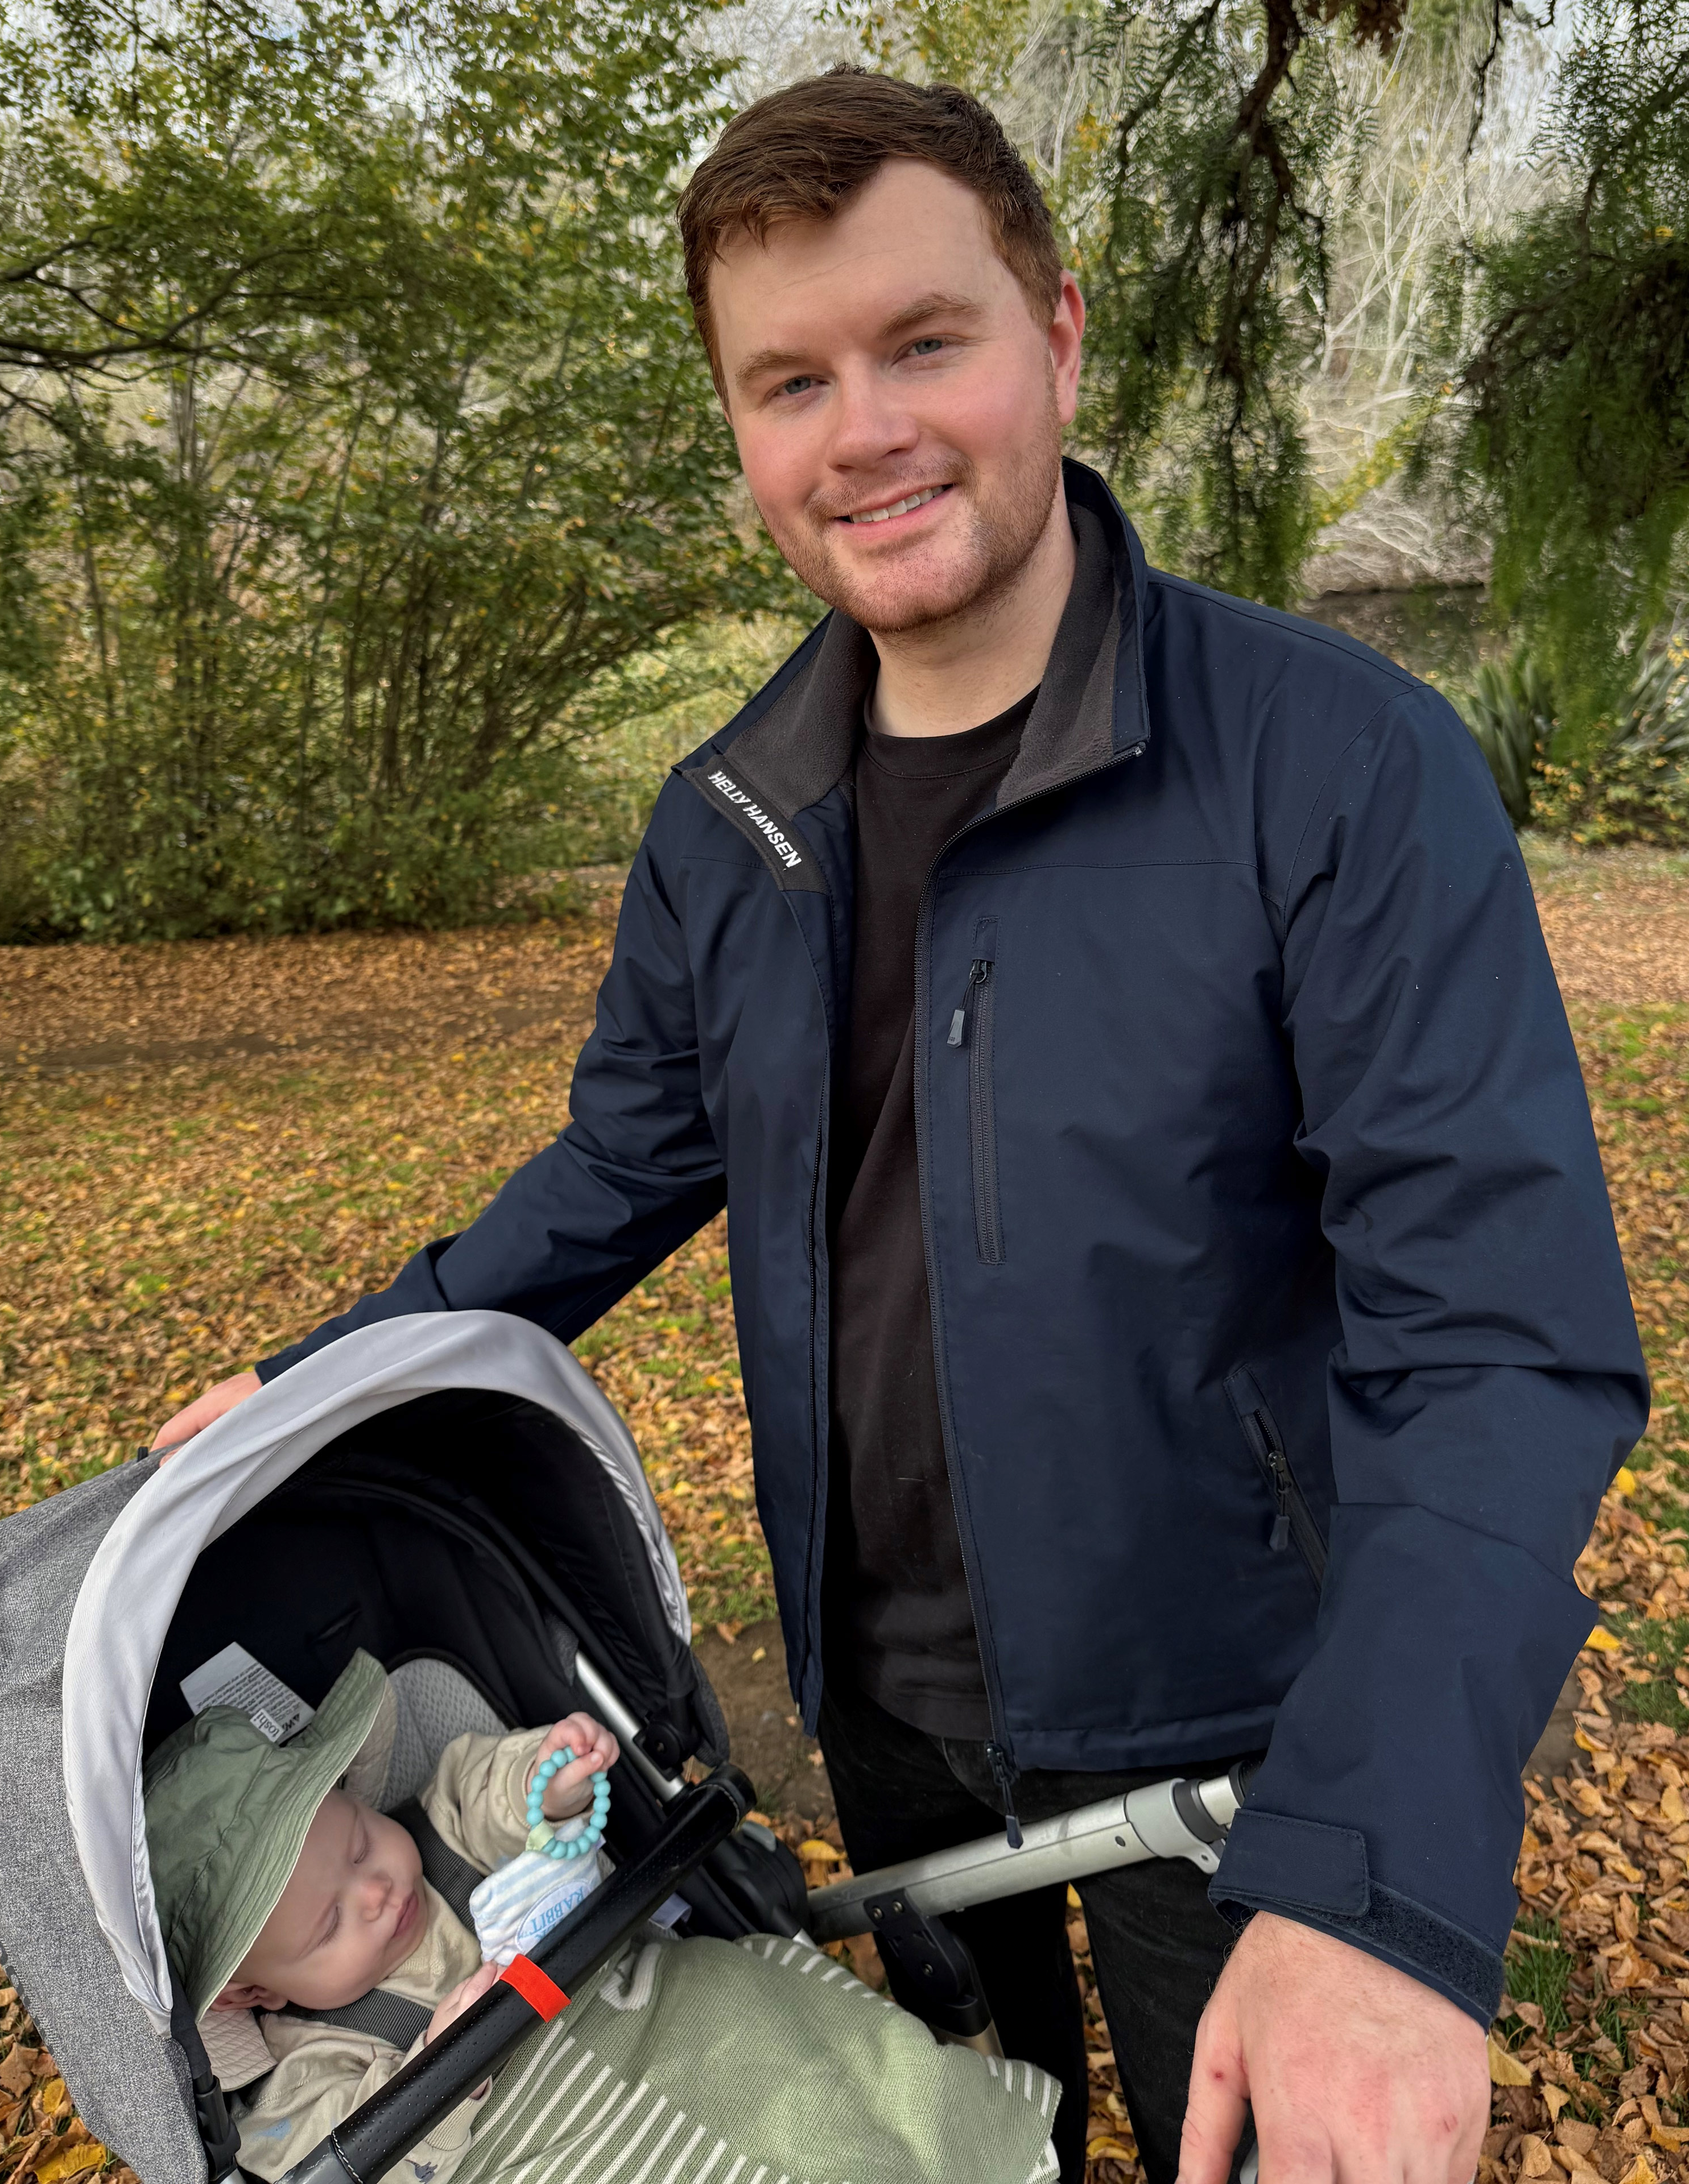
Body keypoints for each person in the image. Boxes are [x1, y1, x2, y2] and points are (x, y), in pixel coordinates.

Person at [155, 67, 1649, 2184]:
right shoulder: (725, 824)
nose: (860, 430)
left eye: (923, 342)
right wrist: (326, 1378)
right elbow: (616, 1172)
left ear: (1055, 337)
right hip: (880, 1695)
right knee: (956, 2131)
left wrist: (1376, 1867)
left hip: (1233, 1723)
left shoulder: (1336, 770)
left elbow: (1497, 1341)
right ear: (740, 430)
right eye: (789, 381)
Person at [144, 1650, 1062, 2184]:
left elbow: (497, 1788)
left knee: (816, 2082)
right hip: (550, 2142)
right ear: (258, 1993)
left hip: (664, 2014)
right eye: (328, 1925)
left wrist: (554, 1781)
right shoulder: (309, 2065)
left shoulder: (442, 1823)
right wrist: (432, 2064)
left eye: (358, 1845)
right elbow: (322, 2158)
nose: (377, 1892)